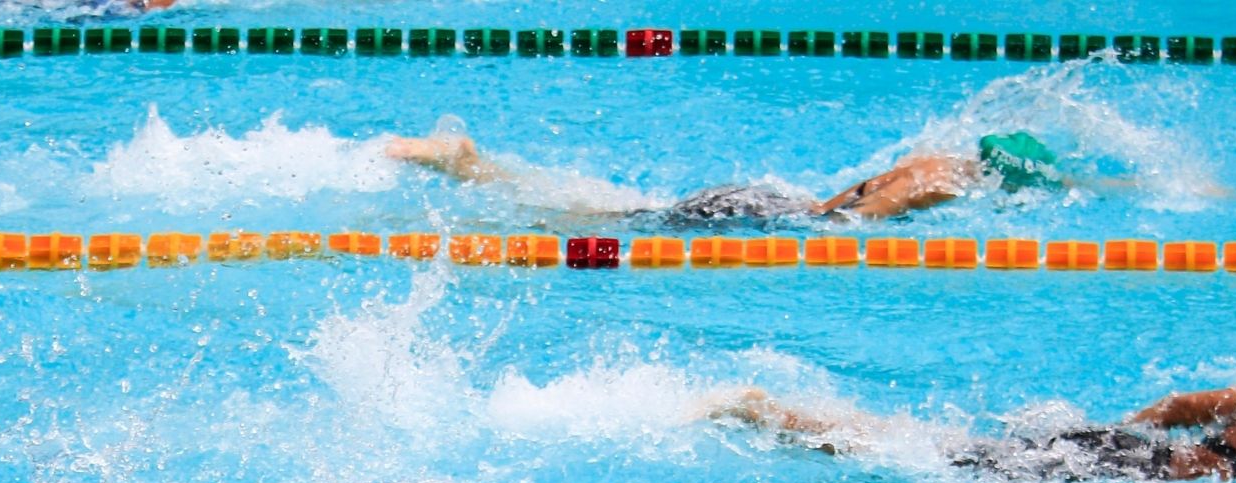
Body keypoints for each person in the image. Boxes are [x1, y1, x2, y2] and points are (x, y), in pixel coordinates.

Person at [384, 126, 1110, 222]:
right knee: (602, 224)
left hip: (768, 196)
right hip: (772, 216)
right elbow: (848, 226)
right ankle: (469, 170)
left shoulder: (937, 160)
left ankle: (475, 166)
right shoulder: (942, 182)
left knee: (615, 210)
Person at [708, 383, 1236, 482]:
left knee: (956, 449)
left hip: (1125, 448)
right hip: (1135, 472)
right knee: (951, 463)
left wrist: (1118, 432)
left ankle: (789, 415)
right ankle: (776, 416)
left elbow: (1174, 406)